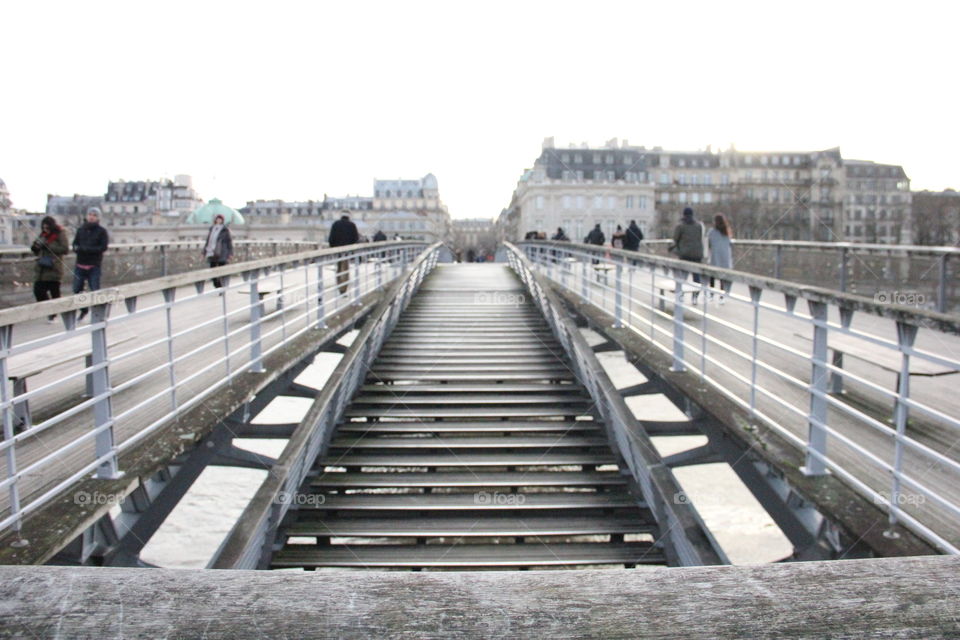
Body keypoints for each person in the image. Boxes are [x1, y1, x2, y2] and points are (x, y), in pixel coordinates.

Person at [72, 207, 109, 320]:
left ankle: (99, 314)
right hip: (80, 264)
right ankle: (84, 309)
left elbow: (103, 247)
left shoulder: (101, 231)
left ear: (98, 218)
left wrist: (89, 249)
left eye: (94, 215)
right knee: (77, 289)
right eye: (90, 214)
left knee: (95, 289)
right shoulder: (81, 230)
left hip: (94, 265)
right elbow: (75, 244)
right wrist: (78, 248)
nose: (91, 217)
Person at [31, 216, 70, 322]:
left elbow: (65, 249)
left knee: (55, 293)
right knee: (38, 291)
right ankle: (50, 312)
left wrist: (48, 245)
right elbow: (37, 248)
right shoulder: (42, 235)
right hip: (41, 269)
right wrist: (35, 247)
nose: (45, 230)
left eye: (47, 228)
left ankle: (54, 314)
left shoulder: (60, 234)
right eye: (44, 228)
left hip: (54, 268)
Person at [669, 207, 706, 304]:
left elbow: (675, 240)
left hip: (685, 254)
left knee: (682, 276)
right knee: (696, 277)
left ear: (684, 215)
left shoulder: (680, 226)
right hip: (697, 254)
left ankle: (680, 295)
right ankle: (695, 297)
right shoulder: (699, 226)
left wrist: (672, 248)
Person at [328, 211, 359, 295]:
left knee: (338, 268)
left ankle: (339, 285)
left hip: (338, 249)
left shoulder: (335, 224)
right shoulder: (352, 225)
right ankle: (344, 288)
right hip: (347, 250)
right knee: (345, 268)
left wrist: (333, 248)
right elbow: (356, 238)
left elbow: (331, 238)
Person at [708, 213, 734, 304]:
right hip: (725, 256)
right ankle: (722, 296)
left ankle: (711, 294)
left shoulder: (712, 231)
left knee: (712, 275)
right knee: (722, 277)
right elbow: (730, 243)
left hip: (715, 256)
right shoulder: (727, 231)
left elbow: (709, 243)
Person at [203, 213, 233, 288]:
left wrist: (230, 253)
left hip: (222, 252)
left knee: (221, 270)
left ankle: (222, 285)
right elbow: (208, 241)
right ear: (215, 220)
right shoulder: (212, 229)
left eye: (220, 219)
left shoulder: (225, 230)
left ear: (222, 220)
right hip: (211, 252)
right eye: (217, 219)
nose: (218, 220)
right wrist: (204, 252)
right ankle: (217, 285)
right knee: (212, 270)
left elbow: (229, 242)